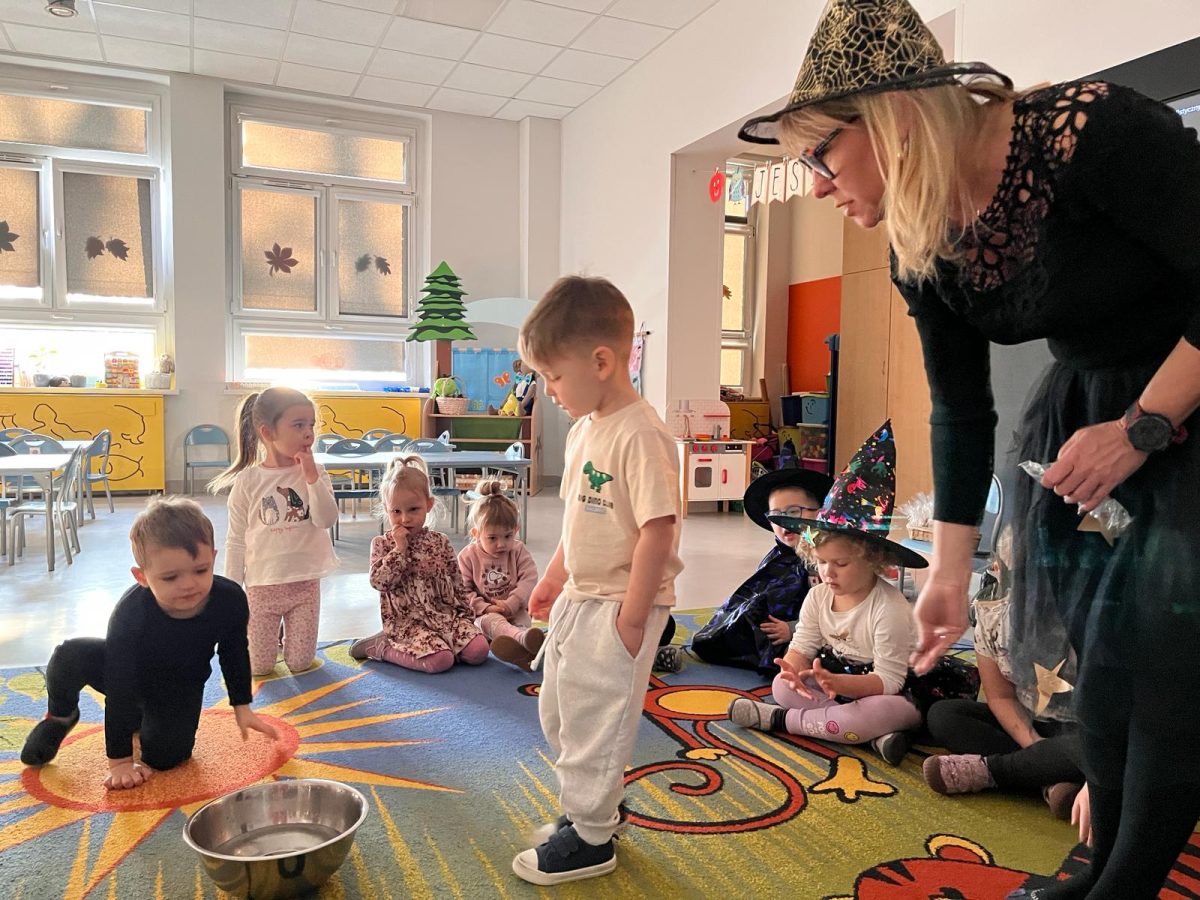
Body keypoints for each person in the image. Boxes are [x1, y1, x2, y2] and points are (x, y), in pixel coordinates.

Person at [740, 2, 1200, 895]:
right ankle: (1099, 866)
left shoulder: (1092, 133)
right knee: (1103, 671)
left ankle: (1127, 885)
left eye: (821, 157)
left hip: (1180, 398)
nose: (818, 186)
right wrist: (948, 575)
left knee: (1167, 670)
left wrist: (1141, 428)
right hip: (1088, 416)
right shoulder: (920, 236)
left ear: (892, 116)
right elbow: (959, 410)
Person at [510, 276, 683, 885]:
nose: (548, 390)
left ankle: (591, 838)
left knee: (596, 717)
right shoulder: (586, 427)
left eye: (554, 376)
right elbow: (580, 517)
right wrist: (554, 577)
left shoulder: (641, 433)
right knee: (560, 710)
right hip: (580, 594)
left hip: (619, 604)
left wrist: (633, 618)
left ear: (602, 362)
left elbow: (658, 531)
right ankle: (597, 807)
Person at [20, 498, 277, 789]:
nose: (188, 584)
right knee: (68, 656)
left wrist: (242, 706)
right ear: (142, 577)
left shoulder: (229, 600)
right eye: (170, 577)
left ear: (213, 558)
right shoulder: (131, 612)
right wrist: (119, 761)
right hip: (128, 674)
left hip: (179, 689)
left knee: (166, 758)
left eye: (200, 570)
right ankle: (61, 716)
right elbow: (119, 685)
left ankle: (143, 721)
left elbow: (234, 653)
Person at [727, 422, 927, 765]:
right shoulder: (819, 596)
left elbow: (890, 681)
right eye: (820, 562)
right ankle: (867, 736)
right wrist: (792, 669)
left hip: (892, 691)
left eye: (841, 564)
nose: (827, 573)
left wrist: (840, 686)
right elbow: (802, 647)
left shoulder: (889, 608)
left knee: (882, 710)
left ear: (873, 560)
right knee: (780, 687)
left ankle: (781, 720)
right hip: (838, 684)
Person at [924, 529, 1085, 819]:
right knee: (944, 716)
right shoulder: (991, 613)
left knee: (1097, 747)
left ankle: (995, 772)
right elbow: (999, 696)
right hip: (1029, 723)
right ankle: (1049, 782)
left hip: (1082, 728)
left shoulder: (1088, 616)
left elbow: (1114, 720)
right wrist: (1035, 747)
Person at [210, 387, 339, 676]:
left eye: (311, 425)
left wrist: (311, 477)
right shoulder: (249, 480)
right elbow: (236, 539)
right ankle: (271, 638)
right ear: (267, 432)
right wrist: (232, 591)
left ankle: (287, 639)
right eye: (298, 425)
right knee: (259, 667)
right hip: (262, 586)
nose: (308, 433)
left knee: (299, 663)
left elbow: (325, 520)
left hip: (305, 584)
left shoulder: (317, 472)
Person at [349, 456, 489, 673]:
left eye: (413, 509)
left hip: (446, 618)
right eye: (396, 512)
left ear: (428, 505)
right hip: (408, 624)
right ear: (387, 509)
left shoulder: (440, 541)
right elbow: (379, 582)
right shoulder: (382, 544)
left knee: (479, 650)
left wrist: (466, 617)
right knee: (441, 661)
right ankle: (382, 647)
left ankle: (447, 646)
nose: (405, 519)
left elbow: (457, 583)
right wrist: (399, 550)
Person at [691, 467, 833, 674]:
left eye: (794, 512)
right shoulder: (780, 555)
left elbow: (836, 609)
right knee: (717, 636)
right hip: (775, 628)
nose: (784, 522)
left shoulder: (824, 560)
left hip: (813, 633)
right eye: (776, 515)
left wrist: (793, 628)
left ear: (819, 513)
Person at [458, 478, 545, 671]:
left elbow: (529, 578)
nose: (501, 544)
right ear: (476, 534)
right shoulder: (467, 556)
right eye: (492, 538)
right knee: (492, 623)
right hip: (484, 616)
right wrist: (486, 607)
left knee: (523, 625)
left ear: (516, 530)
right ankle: (519, 640)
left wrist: (512, 603)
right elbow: (461, 591)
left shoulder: (518, 550)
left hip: (516, 611)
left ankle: (521, 646)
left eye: (508, 536)